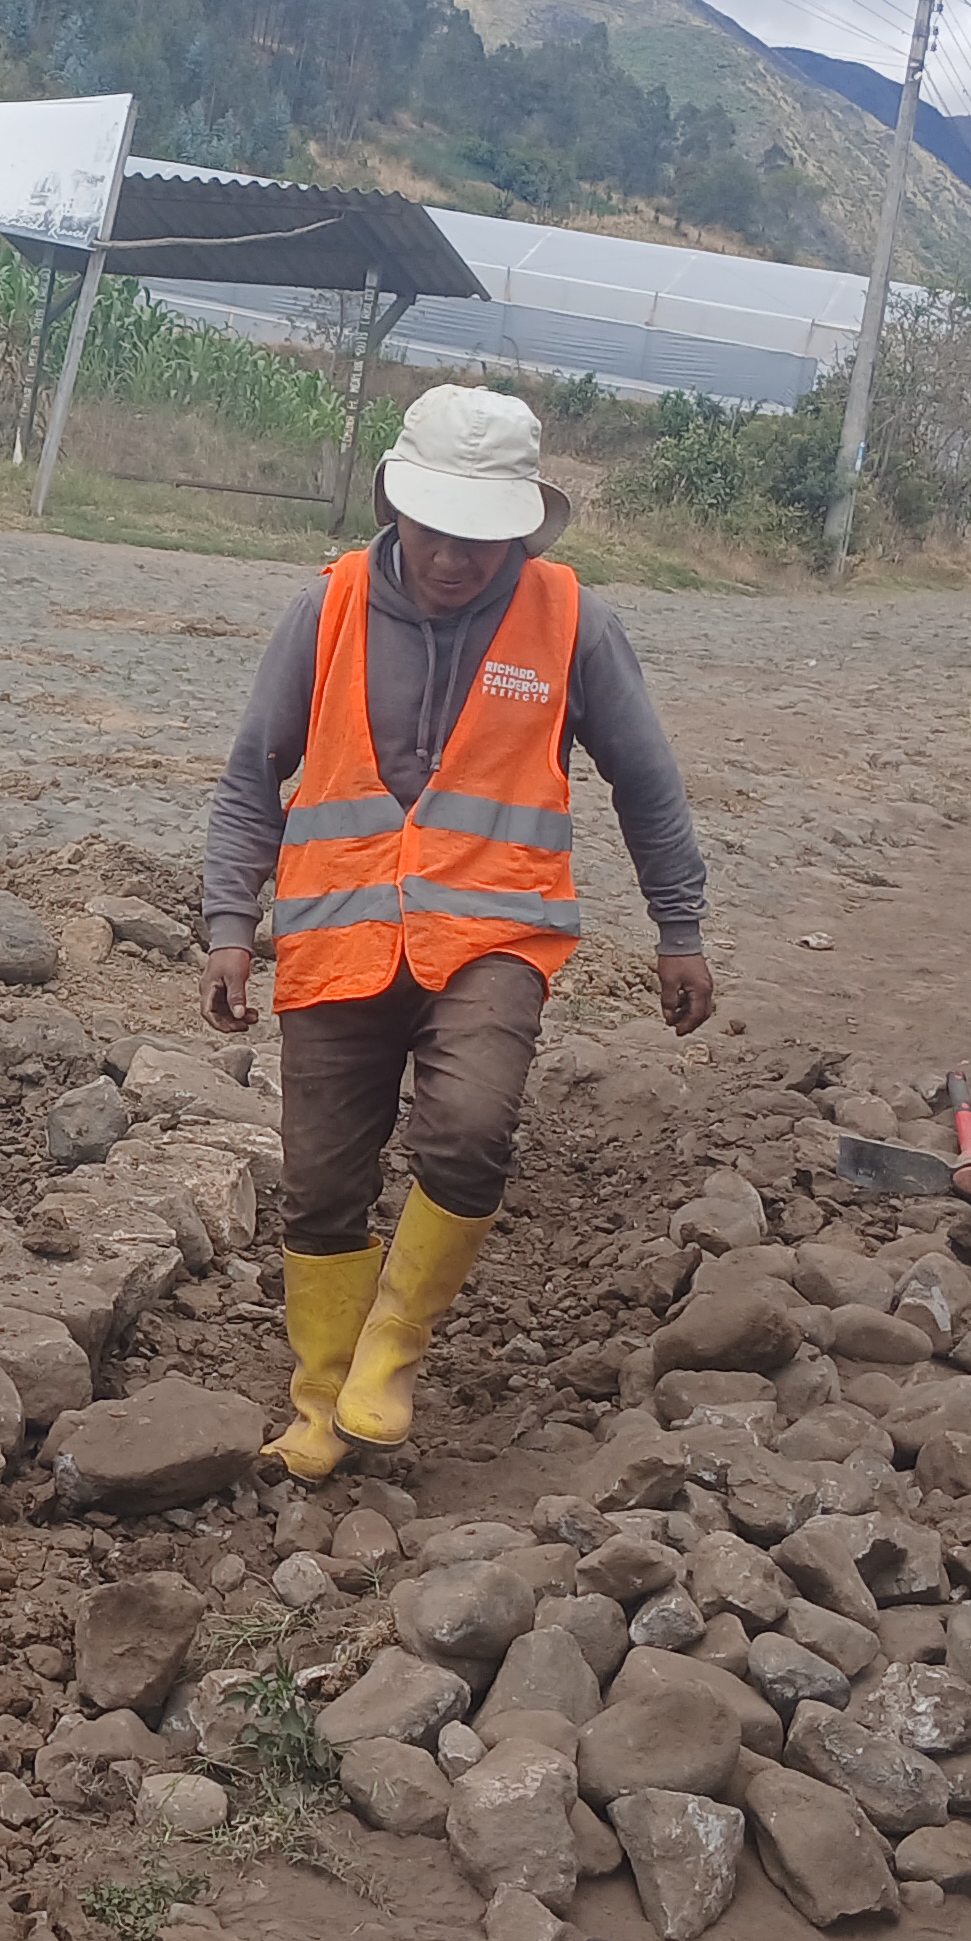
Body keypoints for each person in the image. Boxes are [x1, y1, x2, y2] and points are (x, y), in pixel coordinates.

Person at [200, 385, 718, 1482]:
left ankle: (392, 1346)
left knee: (471, 1129)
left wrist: (679, 926)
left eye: (480, 539)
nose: (452, 558)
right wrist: (228, 924)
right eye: (435, 531)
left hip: (494, 931)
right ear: (397, 505)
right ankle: (320, 1396)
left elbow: (648, 784)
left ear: (521, 530)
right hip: (338, 932)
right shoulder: (326, 609)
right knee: (321, 1183)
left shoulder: (573, 623)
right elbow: (254, 776)